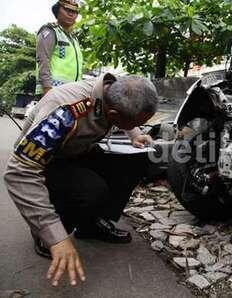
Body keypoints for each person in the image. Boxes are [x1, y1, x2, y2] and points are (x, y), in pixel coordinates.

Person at [4, 73, 158, 287]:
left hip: (77, 149)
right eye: (136, 123)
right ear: (113, 115)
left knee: (137, 160)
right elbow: (19, 172)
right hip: (46, 161)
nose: (136, 126)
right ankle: (46, 235)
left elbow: (127, 116)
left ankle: (90, 225)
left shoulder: (117, 90)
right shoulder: (64, 111)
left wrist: (135, 133)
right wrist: (55, 236)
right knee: (90, 191)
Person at [36, 0, 83, 96]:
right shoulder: (50, 31)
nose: (71, 14)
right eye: (67, 9)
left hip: (72, 92)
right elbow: (43, 60)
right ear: (57, 11)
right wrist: (47, 89)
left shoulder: (74, 38)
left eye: (74, 12)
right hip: (53, 90)